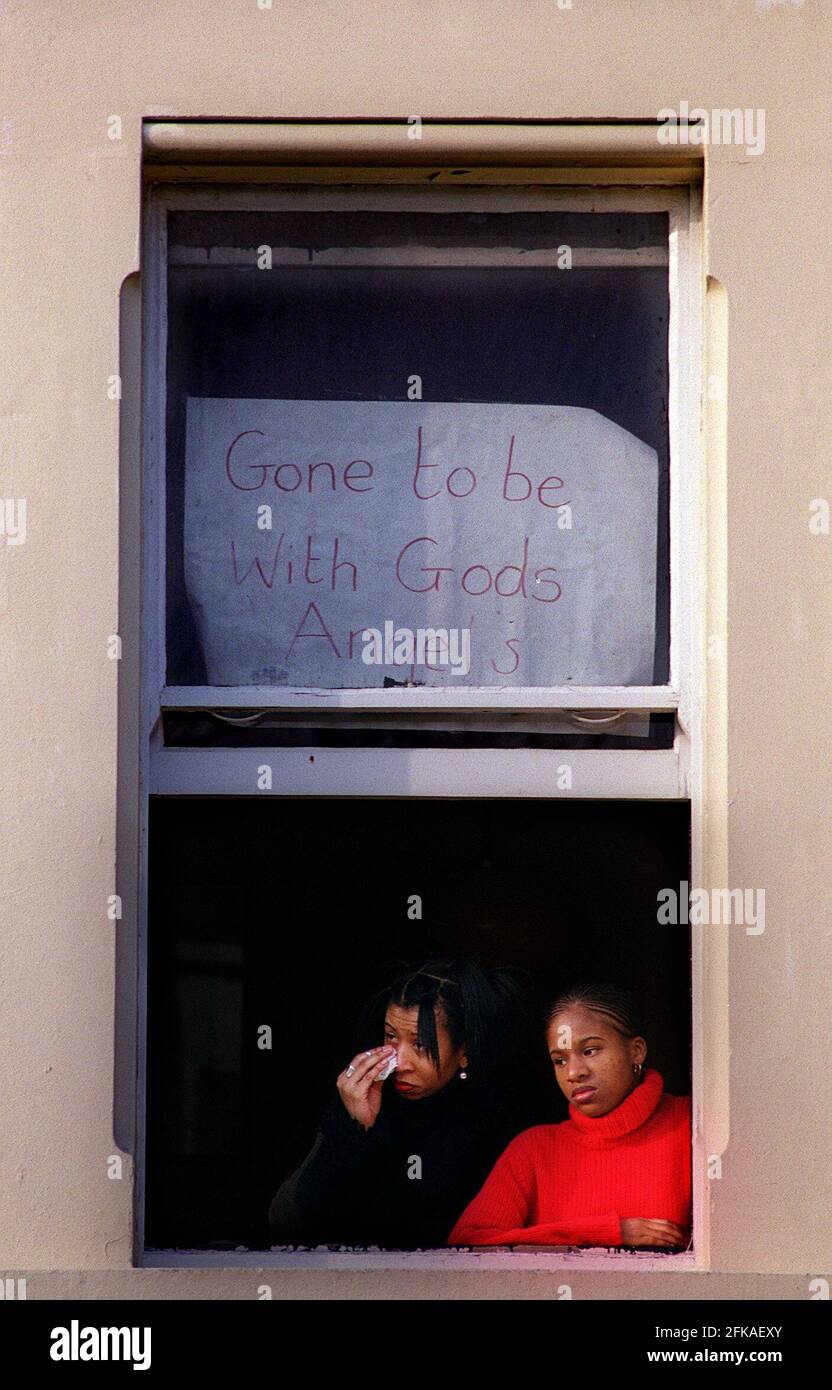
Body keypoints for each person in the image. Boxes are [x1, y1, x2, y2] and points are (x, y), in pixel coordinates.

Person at [268, 958, 536, 1249]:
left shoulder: (495, 1122)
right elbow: (286, 1222)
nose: (400, 1062)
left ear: (464, 1051)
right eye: (391, 1037)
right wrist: (354, 1128)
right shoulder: (363, 1100)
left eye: (420, 1044)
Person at [447, 982, 691, 1249]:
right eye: (560, 1060)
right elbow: (467, 1244)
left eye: (590, 1050)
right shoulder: (533, 1150)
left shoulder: (693, 1125)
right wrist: (606, 1232)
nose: (573, 1072)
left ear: (637, 1050)